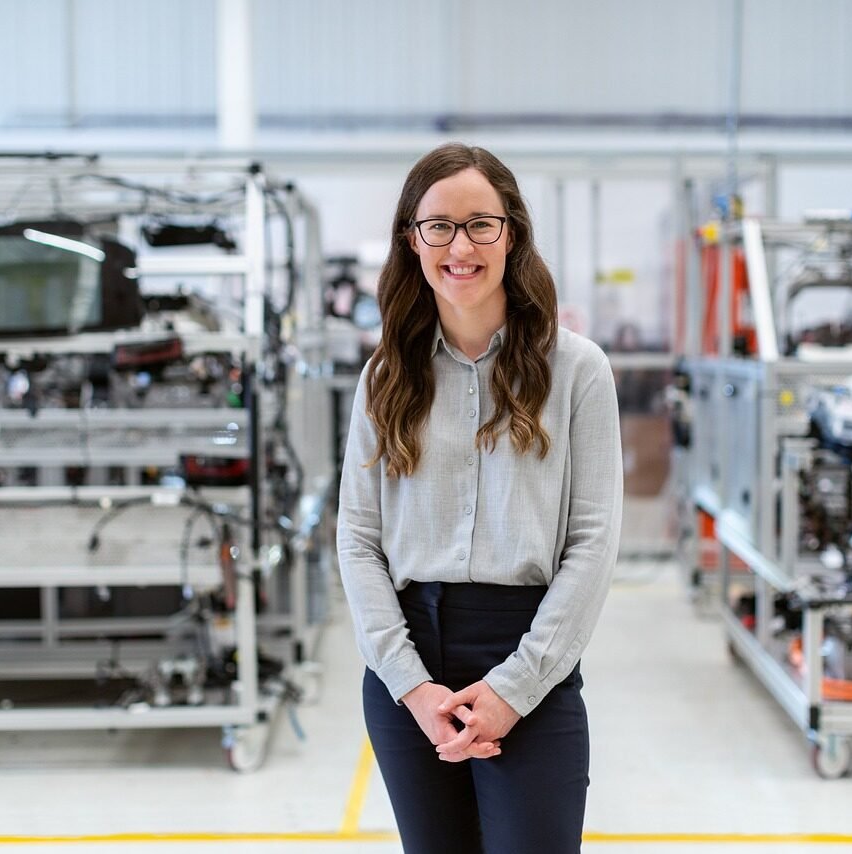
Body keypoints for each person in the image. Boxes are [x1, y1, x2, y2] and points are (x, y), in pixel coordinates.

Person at [336, 143, 622, 854]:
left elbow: (592, 543)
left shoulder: (577, 370)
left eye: (480, 224)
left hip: (532, 658)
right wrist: (412, 686)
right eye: (439, 226)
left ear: (512, 234)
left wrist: (512, 690)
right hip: (409, 669)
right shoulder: (385, 376)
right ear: (412, 240)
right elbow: (358, 538)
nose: (459, 246)